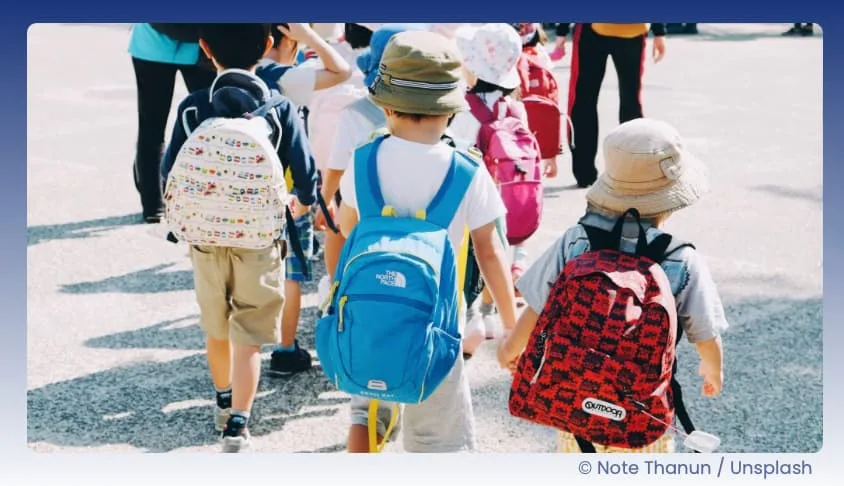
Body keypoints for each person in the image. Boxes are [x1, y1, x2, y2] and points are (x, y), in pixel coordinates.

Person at [336, 30, 518, 452]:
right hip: (436, 328)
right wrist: (509, 324)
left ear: (383, 103)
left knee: (366, 415)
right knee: (438, 440)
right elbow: (490, 252)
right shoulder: (467, 171)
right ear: (452, 107)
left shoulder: (362, 160)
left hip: (370, 315)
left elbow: (348, 227)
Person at [498, 118, 726, 453]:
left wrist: (510, 350)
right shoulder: (681, 259)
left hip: (573, 402)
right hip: (642, 414)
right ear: (668, 203)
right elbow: (705, 332)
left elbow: (537, 305)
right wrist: (712, 369)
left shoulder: (577, 240)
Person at [160, 23, 318, 452]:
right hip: (261, 238)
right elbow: (306, 176)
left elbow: (168, 171)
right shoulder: (278, 108)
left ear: (205, 48)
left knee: (217, 326)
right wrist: (299, 204)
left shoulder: (193, 108)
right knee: (248, 331)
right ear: (267, 46)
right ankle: (239, 425)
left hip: (206, 239)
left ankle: (223, 401)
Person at [256, 22, 352, 377]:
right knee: (290, 272)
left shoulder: (234, 73)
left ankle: (241, 348)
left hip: (246, 190)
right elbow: (341, 71)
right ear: (286, 35)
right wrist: (309, 37)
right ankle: (285, 349)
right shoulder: (286, 77)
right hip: (289, 189)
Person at [450, 23, 541, 356]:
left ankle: (472, 316)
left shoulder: (464, 109)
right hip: (508, 200)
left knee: (473, 260)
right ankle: (489, 314)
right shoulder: (517, 108)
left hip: (474, 201)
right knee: (499, 254)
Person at [319, 25, 420, 285]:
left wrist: (325, 200)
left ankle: (336, 287)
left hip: (365, 200)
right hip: (414, 200)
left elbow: (338, 163)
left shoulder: (355, 112)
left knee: (335, 228)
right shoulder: (429, 115)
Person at [556, 23, 666, 188]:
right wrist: (659, 31)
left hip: (591, 28)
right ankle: (633, 171)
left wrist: (561, 30)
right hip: (632, 29)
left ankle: (584, 173)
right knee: (631, 102)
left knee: (583, 101)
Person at [128, 23, 216, 223]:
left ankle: (153, 204)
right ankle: (210, 198)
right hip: (200, 44)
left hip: (152, 43)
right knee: (211, 126)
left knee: (151, 128)